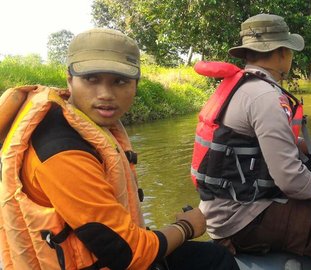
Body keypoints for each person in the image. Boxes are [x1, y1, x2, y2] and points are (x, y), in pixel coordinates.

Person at [0, 28, 238, 270]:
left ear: (135, 85)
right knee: (216, 261)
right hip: (112, 258)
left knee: (213, 257)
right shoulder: (62, 152)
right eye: (91, 79)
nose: (105, 94)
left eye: (120, 81)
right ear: (69, 80)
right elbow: (127, 253)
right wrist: (187, 227)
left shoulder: (83, 121)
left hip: (102, 255)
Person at [191, 14, 311, 270]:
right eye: (289, 50)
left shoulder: (241, 86)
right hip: (241, 220)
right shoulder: (264, 96)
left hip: (223, 209)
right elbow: (291, 179)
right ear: (280, 52)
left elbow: (274, 143)